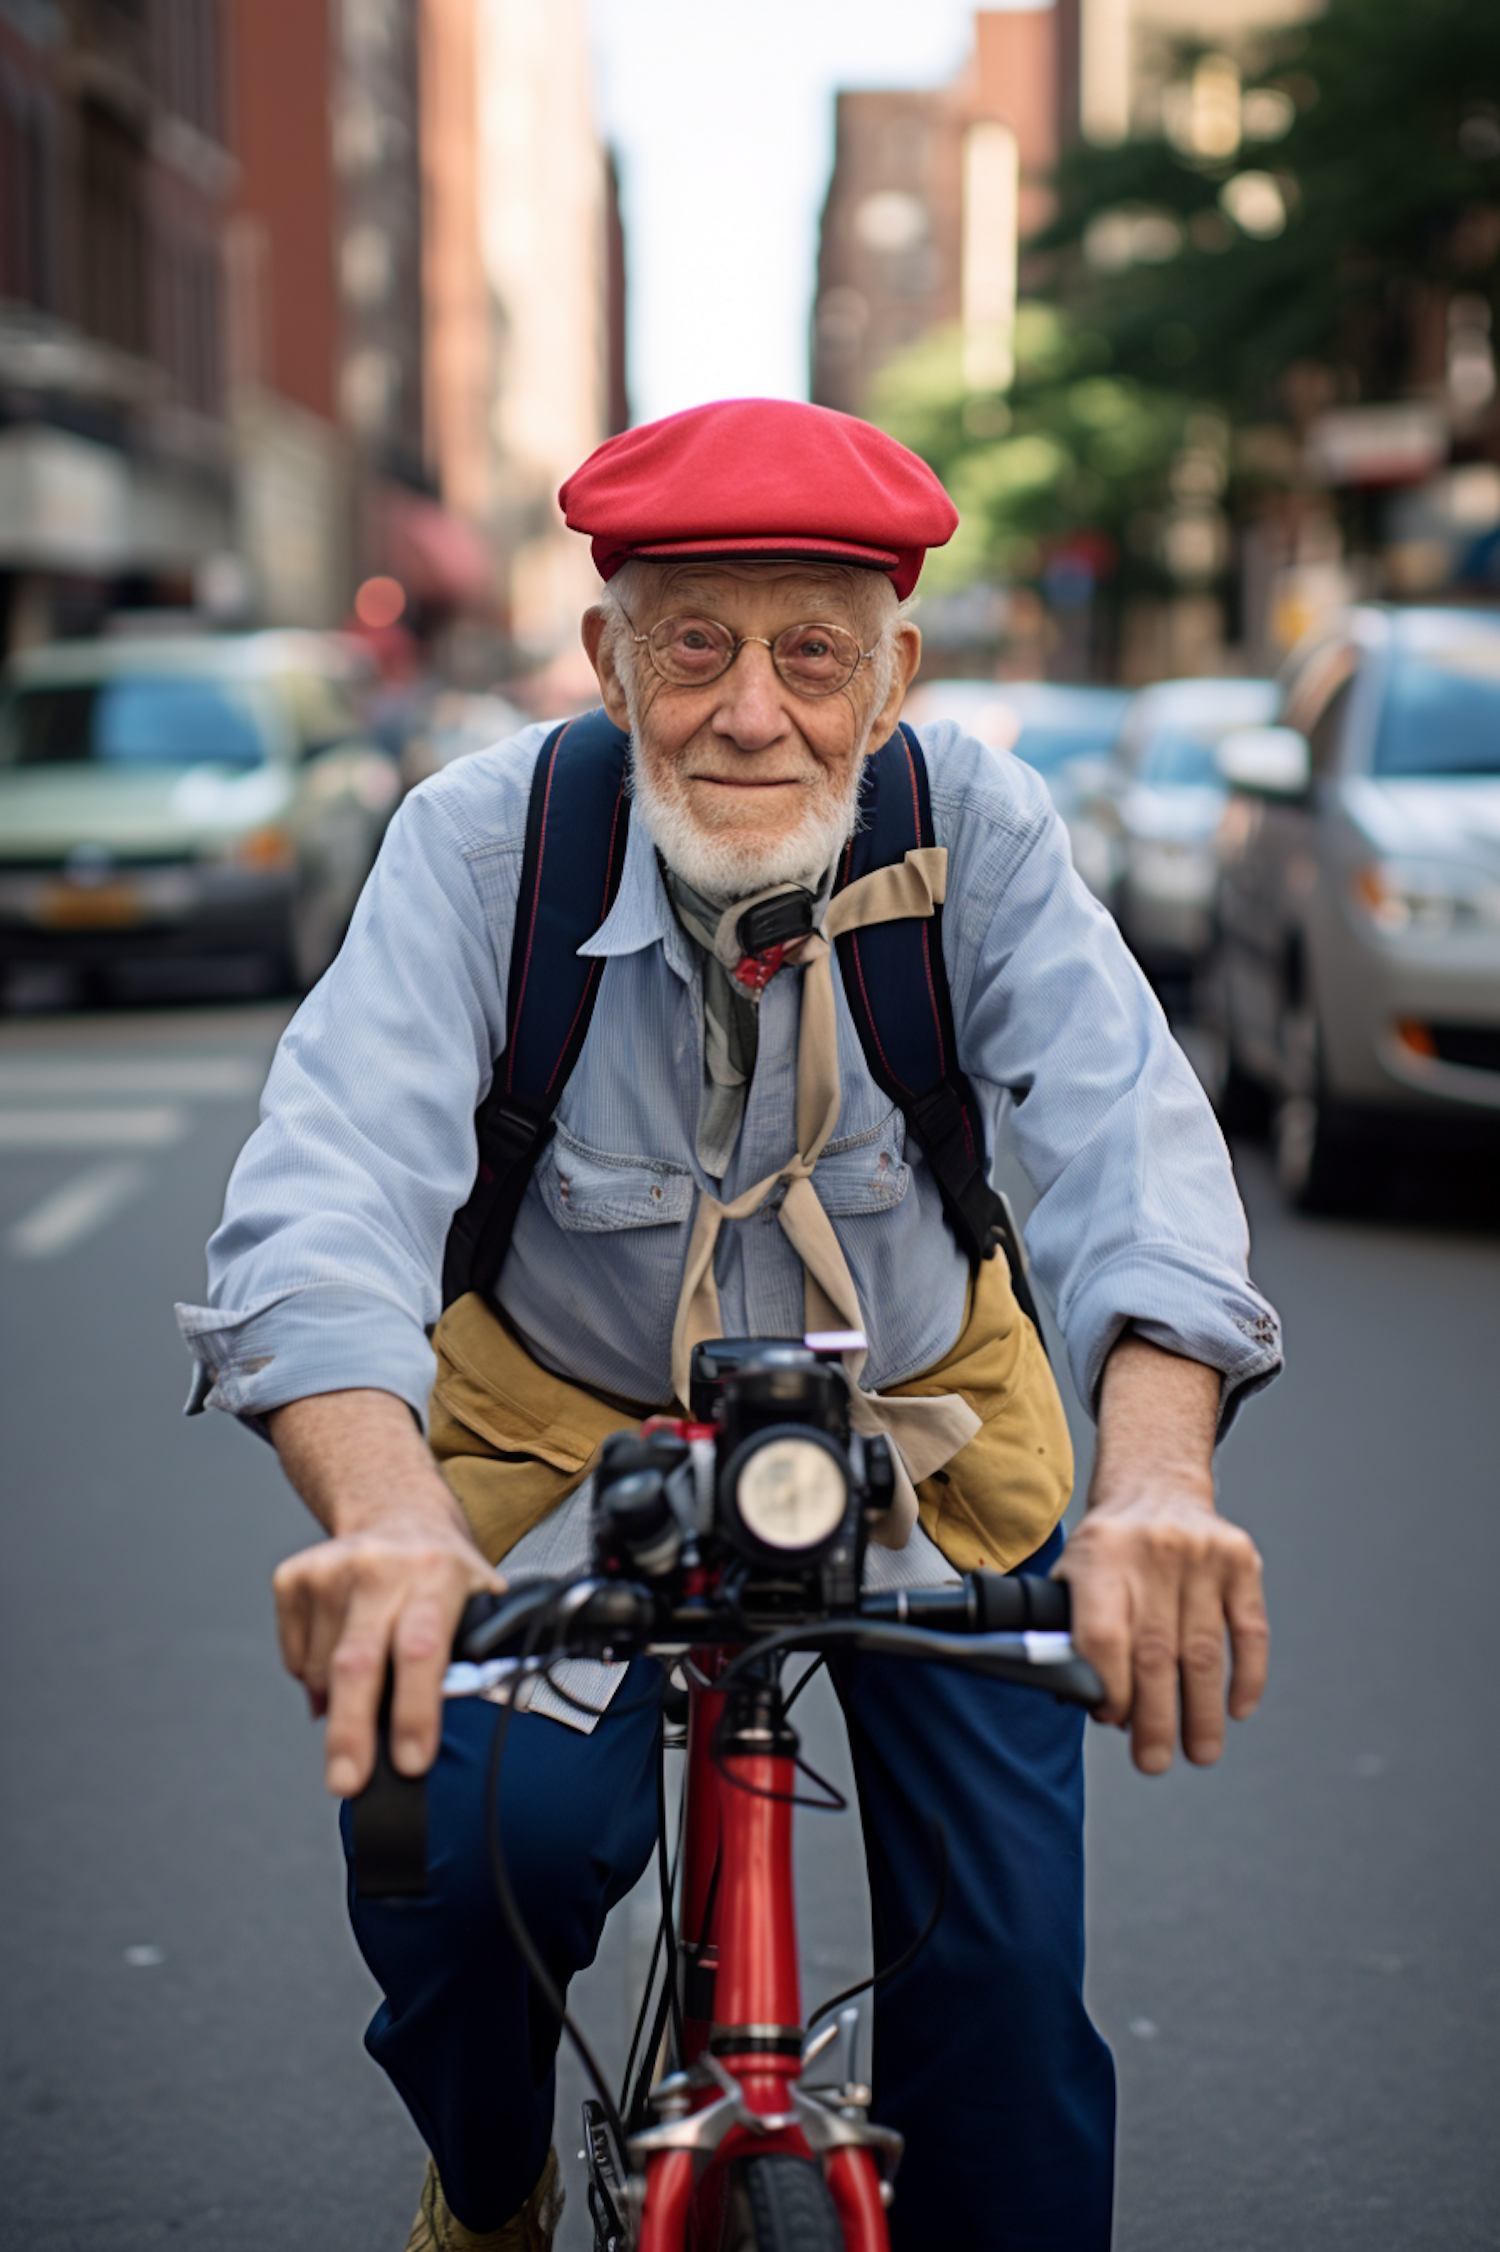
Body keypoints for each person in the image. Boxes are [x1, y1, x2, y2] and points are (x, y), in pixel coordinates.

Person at [178, 398, 1279, 2252]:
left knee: (1007, 2004)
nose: (752, 710)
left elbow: (1135, 1157)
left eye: (814, 653)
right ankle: (493, 2177)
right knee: (465, 1865)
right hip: (567, 1452)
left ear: (896, 675)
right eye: (694, 643)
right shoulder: (480, 846)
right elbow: (320, 1202)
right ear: (609, 659)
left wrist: (1157, 1484)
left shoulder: (980, 829)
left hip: (919, 1443)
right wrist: (385, 1517)